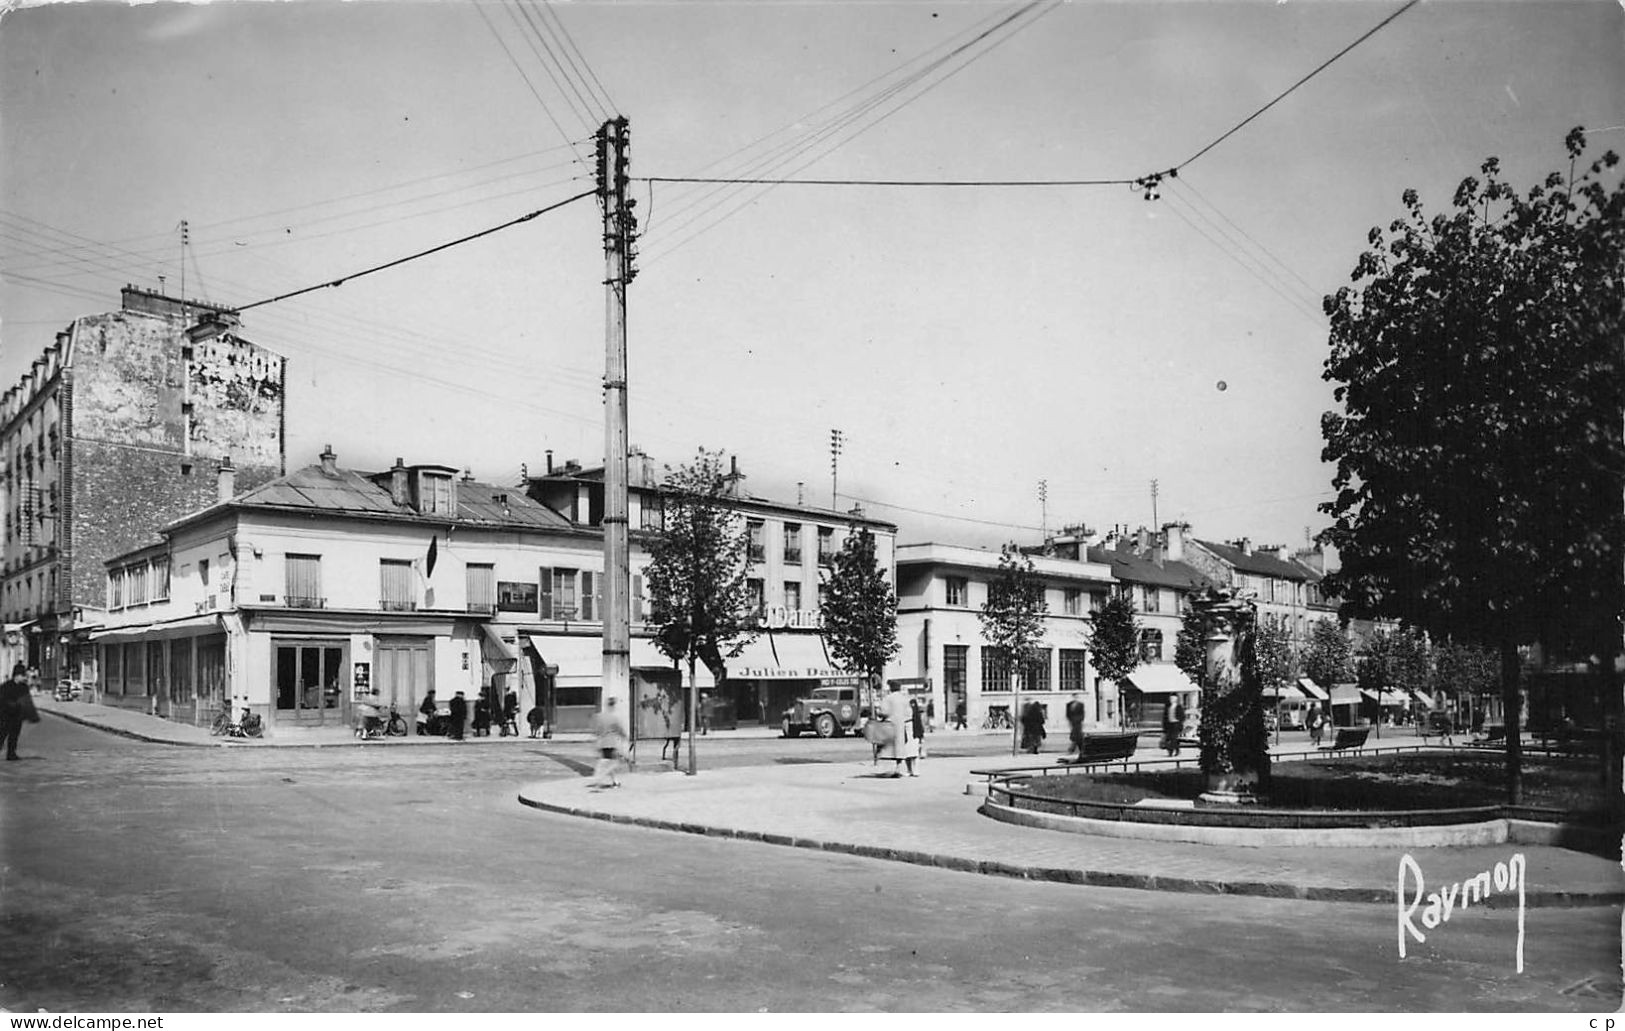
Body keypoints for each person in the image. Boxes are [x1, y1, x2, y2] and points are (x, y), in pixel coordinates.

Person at [877, 682, 918, 777]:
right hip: (901, 725)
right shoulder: (904, 699)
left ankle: (889, 769)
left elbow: (883, 711)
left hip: (890, 724)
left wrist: (880, 715)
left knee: (888, 748)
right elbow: (909, 712)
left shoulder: (888, 698)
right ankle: (898, 768)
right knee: (900, 747)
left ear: (891, 688)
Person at [1, 662, 39, 761]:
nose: (24, 678)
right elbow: (2, 700)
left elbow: (27, 702)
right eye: (23, 676)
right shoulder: (6, 686)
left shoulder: (24, 687)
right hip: (5, 715)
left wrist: (32, 715)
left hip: (17, 716)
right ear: (17, 675)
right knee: (2, 734)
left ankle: (11, 753)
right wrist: (10, 705)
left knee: (14, 735)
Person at [589, 696, 628, 788]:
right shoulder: (614, 718)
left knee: (608, 760)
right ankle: (598, 777)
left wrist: (596, 741)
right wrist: (625, 737)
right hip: (611, 742)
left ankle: (615, 782)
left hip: (602, 742)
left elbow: (597, 730)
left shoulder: (601, 717)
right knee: (613, 762)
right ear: (614, 706)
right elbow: (620, 730)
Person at [1064, 692, 1087, 761]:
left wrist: (1079, 720)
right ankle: (1080, 749)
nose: (1075, 698)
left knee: (1076, 735)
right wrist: (1070, 720)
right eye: (1074, 696)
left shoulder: (1080, 704)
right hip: (1072, 722)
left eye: (1076, 697)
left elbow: (1082, 713)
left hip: (1078, 722)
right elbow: (1067, 714)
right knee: (1077, 736)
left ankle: (1072, 749)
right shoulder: (1069, 704)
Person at [911, 697, 927, 761]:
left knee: (919, 742)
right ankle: (920, 753)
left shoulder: (915, 712)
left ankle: (920, 752)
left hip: (917, 729)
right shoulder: (917, 713)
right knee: (919, 742)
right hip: (917, 729)